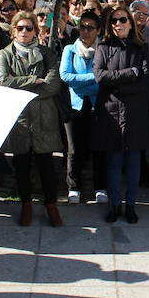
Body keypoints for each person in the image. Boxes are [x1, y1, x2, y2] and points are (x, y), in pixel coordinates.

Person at [0, 11, 64, 227]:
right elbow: (4, 82)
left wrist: (22, 86)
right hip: (20, 118)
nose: (24, 32)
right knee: (21, 165)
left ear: (35, 30)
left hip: (44, 117)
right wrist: (34, 80)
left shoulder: (46, 52)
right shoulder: (4, 54)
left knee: (46, 166)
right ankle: (26, 205)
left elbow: (53, 84)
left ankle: (51, 205)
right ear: (13, 30)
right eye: (20, 28)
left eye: (29, 28)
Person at [92, 6, 149, 224]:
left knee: (133, 162)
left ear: (130, 22)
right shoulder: (103, 47)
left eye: (122, 20)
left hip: (136, 112)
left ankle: (131, 205)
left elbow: (147, 78)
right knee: (113, 162)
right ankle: (114, 205)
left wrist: (120, 87)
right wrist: (130, 73)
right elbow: (100, 76)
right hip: (110, 112)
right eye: (114, 21)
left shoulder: (142, 48)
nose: (118, 24)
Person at [60, 11, 107, 204]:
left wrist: (92, 81)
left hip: (98, 105)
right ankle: (74, 187)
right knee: (74, 149)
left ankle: (100, 187)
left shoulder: (103, 49)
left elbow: (106, 79)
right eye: (82, 27)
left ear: (98, 31)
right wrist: (94, 77)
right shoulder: (70, 50)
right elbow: (66, 77)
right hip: (75, 106)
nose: (85, 31)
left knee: (99, 147)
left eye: (90, 28)